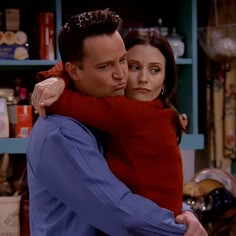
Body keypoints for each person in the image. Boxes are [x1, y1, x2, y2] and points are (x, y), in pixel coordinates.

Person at [28, 9, 207, 236]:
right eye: (105, 67)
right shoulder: (62, 132)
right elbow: (120, 213)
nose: (121, 75)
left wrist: (185, 213)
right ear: (73, 71)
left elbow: (145, 187)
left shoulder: (112, 117)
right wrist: (180, 229)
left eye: (123, 61)